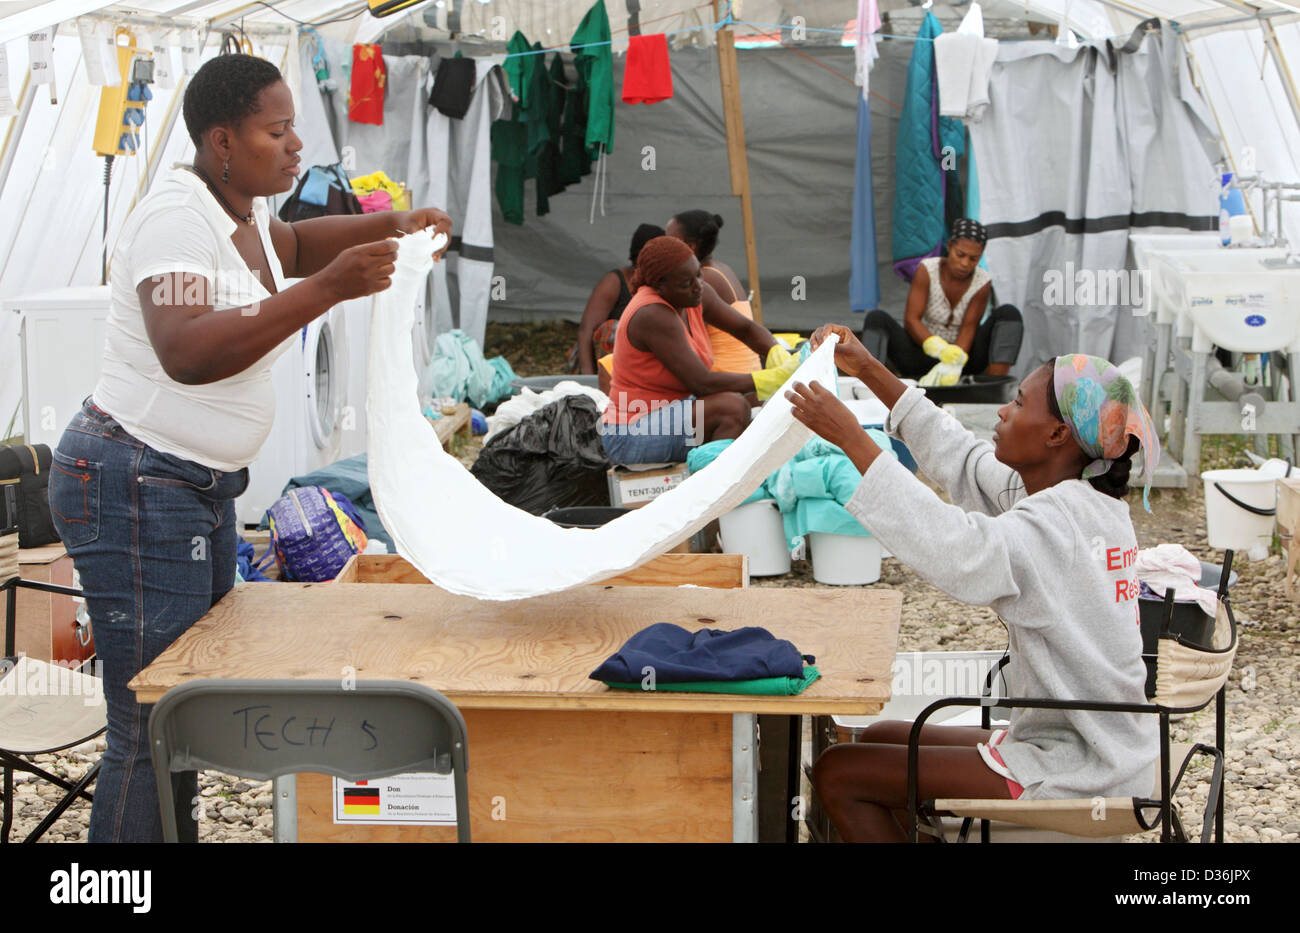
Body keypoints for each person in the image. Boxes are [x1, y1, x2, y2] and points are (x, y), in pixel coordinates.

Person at [45, 54, 452, 843]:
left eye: (295, 125)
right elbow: (187, 349)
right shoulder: (175, 219)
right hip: (133, 480)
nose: (297, 143)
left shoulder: (246, 210)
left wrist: (390, 225)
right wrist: (328, 289)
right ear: (222, 141)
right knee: (152, 718)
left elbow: (292, 249)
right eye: (278, 129)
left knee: (185, 707)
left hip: (185, 487)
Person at [785, 325, 1160, 843]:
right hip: (1096, 741)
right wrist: (868, 368)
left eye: (1019, 402)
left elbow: (955, 549)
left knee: (840, 774)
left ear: (1056, 435)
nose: (1003, 411)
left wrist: (851, 436)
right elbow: (961, 455)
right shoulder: (1080, 501)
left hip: (1085, 765)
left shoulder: (1055, 526)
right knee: (879, 736)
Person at [601, 236, 800, 465]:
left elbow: (746, 329)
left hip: (671, 412)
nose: (697, 286)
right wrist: (773, 378)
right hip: (632, 433)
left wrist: (776, 352)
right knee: (731, 409)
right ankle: (714, 488)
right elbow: (701, 383)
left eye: (698, 274)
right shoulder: (652, 314)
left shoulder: (696, 295)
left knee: (752, 402)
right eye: (685, 283)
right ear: (659, 286)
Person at [861, 218, 1023, 387]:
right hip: (922, 354)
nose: (965, 263)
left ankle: (995, 387)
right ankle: (868, 384)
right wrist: (939, 348)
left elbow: (969, 326)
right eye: (960, 255)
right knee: (876, 318)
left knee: (1009, 314)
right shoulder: (927, 269)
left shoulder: (982, 281)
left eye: (973, 259)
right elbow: (912, 320)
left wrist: (955, 359)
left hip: (962, 360)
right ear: (950, 246)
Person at [666, 209, 762, 374]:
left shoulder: (704, 279)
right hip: (747, 371)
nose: (662, 246)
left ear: (690, 246)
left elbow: (689, 340)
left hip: (727, 375)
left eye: (669, 240)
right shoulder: (721, 269)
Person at [572, 223, 664, 374]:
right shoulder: (614, 282)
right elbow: (585, 330)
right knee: (613, 329)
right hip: (604, 367)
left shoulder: (664, 285)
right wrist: (588, 378)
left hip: (643, 363)